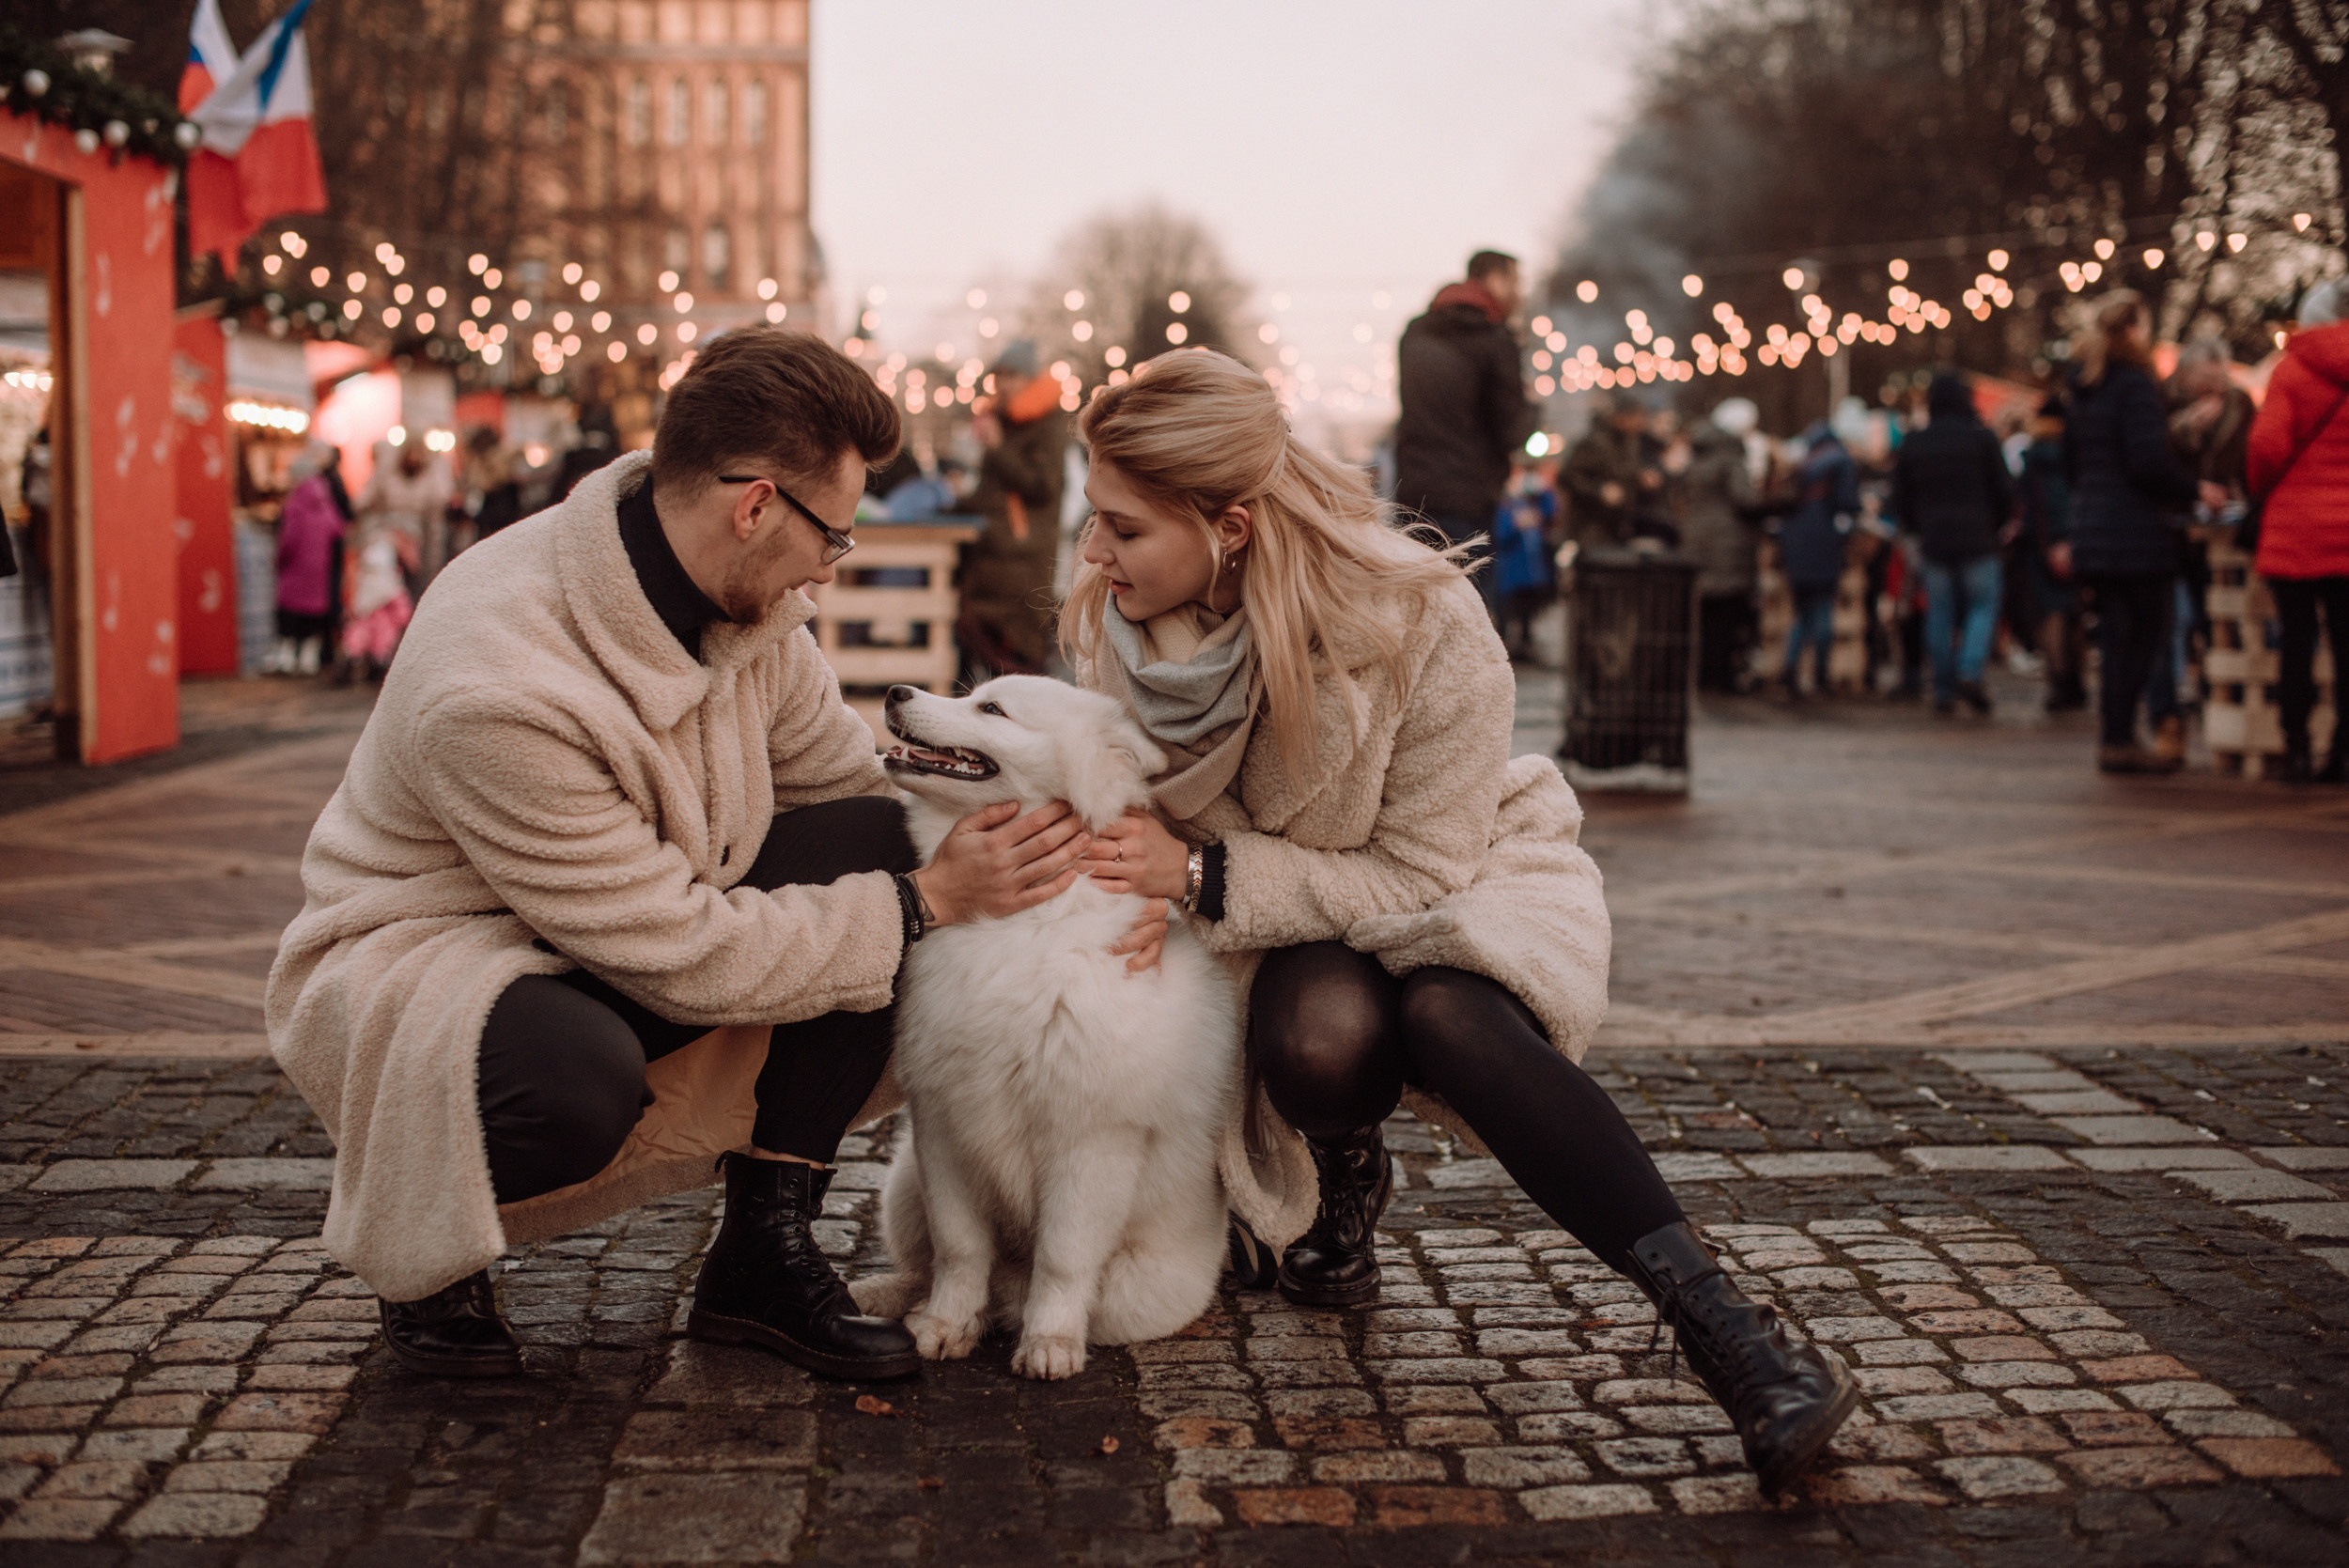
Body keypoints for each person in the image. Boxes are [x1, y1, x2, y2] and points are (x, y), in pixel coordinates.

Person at [267, 328, 1159, 1383]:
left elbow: (852, 792)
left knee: (881, 846)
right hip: (434, 968)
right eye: (834, 535)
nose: (830, 566)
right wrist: (923, 903)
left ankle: (761, 1254)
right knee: (577, 1084)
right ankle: (427, 1252)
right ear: (755, 508)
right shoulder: (497, 684)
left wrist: (1100, 874)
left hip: (623, 917)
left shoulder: (751, 604)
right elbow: (673, 951)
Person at [1063, 349, 1856, 1494]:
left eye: (1123, 528)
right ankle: (1345, 1175)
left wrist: (1199, 871)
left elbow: (1414, 872)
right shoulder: (1119, 631)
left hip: (1456, 872)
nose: (1093, 551)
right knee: (1320, 1035)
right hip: (1270, 922)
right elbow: (1114, 808)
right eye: (1096, 518)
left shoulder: (1417, 615)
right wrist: (1131, 880)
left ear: (1228, 527)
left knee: (1451, 1015)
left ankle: (1734, 1337)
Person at [2062, 291, 2209, 774]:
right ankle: (2122, 736)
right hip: (2135, 532)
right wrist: (2195, 489)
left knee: (2116, 640)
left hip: (2093, 529)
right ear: (2133, 330)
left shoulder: (2084, 389)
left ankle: (2115, 735)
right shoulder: (2135, 386)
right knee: (2145, 636)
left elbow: (2072, 463)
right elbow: (2146, 462)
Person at [2246, 277, 2349, 783]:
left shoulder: (2291, 370)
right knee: (2347, 647)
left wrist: (2259, 487)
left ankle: (2298, 748)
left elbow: (2266, 447)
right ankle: (2342, 753)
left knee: (2296, 643)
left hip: (2295, 531)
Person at [1393, 250, 1536, 550]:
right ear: (1495, 280)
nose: (1519, 295)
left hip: (1413, 495)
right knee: (1468, 580)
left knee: (1415, 579)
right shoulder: (1495, 339)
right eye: (1515, 283)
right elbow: (1511, 431)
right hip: (1468, 501)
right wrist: (1532, 409)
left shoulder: (1415, 333)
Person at [1893, 372, 2014, 716]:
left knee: (1939, 613)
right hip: (1978, 538)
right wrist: (1995, 525)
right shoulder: (1982, 439)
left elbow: (1900, 496)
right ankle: (1970, 671)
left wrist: (1918, 528)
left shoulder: (1915, 442)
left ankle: (1943, 688)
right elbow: (2004, 490)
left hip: (1934, 540)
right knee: (1982, 608)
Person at [958, 340, 1068, 675]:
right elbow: (992, 492)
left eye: (1012, 376)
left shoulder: (1048, 424)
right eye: (1000, 376)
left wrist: (998, 449)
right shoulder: (999, 420)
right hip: (991, 552)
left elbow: (1043, 486)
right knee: (980, 644)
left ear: (1030, 378)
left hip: (1022, 555)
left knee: (1019, 645)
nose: (1004, 384)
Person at [1680, 399, 1763, 691]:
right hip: (1728, 545)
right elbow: (1745, 500)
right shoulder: (1731, 459)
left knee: (1705, 616)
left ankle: (1704, 674)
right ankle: (1723, 676)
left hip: (1698, 542)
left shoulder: (1698, 456)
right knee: (1727, 616)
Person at [1777, 423, 1859, 698]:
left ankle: (1790, 668)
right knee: (1823, 609)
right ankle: (1821, 673)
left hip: (1795, 539)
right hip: (1824, 540)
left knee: (1802, 613)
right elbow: (1847, 504)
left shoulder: (1801, 461)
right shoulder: (1840, 461)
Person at [2018, 407, 2088, 713]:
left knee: (2051, 614)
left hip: (2040, 547)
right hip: (2076, 541)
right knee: (2074, 613)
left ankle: (2058, 679)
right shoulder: (2075, 457)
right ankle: (2074, 680)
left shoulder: (2032, 460)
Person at [268, 448, 348, 676]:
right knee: (313, 614)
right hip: (319, 569)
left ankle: (286, 658)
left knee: (290, 613)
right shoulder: (325, 501)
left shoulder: (295, 503)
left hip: (295, 568)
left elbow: (289, 540)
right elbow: (338, 528)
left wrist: (279, 560)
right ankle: (308, 659)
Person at [1561, 393, 1655, 550]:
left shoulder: (1631, 442)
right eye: (1636, 417)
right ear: (1621, 417)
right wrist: (1599, 491)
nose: (1640, 423)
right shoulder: (1594, 442)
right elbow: (1567, 476)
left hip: (1620, 527)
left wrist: (1640, 478)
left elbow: (1622, 472)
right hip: (1591, 529)